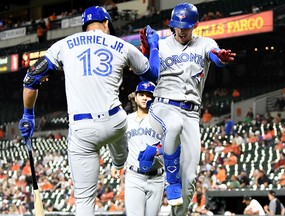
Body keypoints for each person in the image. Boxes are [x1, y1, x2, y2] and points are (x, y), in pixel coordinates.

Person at [18, 6, 160, 216]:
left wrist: (28, 115)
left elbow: (31, 78)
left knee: (84, 202)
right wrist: (154, 47)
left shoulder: (64, 45)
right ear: (106, 24)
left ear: (85, 26)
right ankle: (119, 161)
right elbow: (152, 75)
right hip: (115, 121)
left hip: (82, 129)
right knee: (120, 130)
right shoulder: (121, 44)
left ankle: (117, 162)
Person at [139, 3, 235, 215]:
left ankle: (156, 151)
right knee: (173, 125)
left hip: (191, 112)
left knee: (190, 179)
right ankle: (169, 179)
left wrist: (220, 58)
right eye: (177, 25)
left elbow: (214, 55)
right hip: (163, 106)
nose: (181, 30)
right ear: (172, 25)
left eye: (186, 26)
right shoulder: (162, 45)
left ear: (195, 25)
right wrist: (148, 51)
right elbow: (148, 72)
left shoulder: (204, 43)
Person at [111, 81, 165, 216]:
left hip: (157, 177)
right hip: (135, 176)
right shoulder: (126, 121)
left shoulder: (162, 121)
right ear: (135, 97)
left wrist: (159, 150)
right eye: (141, 94)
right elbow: (119, 145)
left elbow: (173, 145)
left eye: (149, 95)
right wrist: (116, 164)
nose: (145, 98)